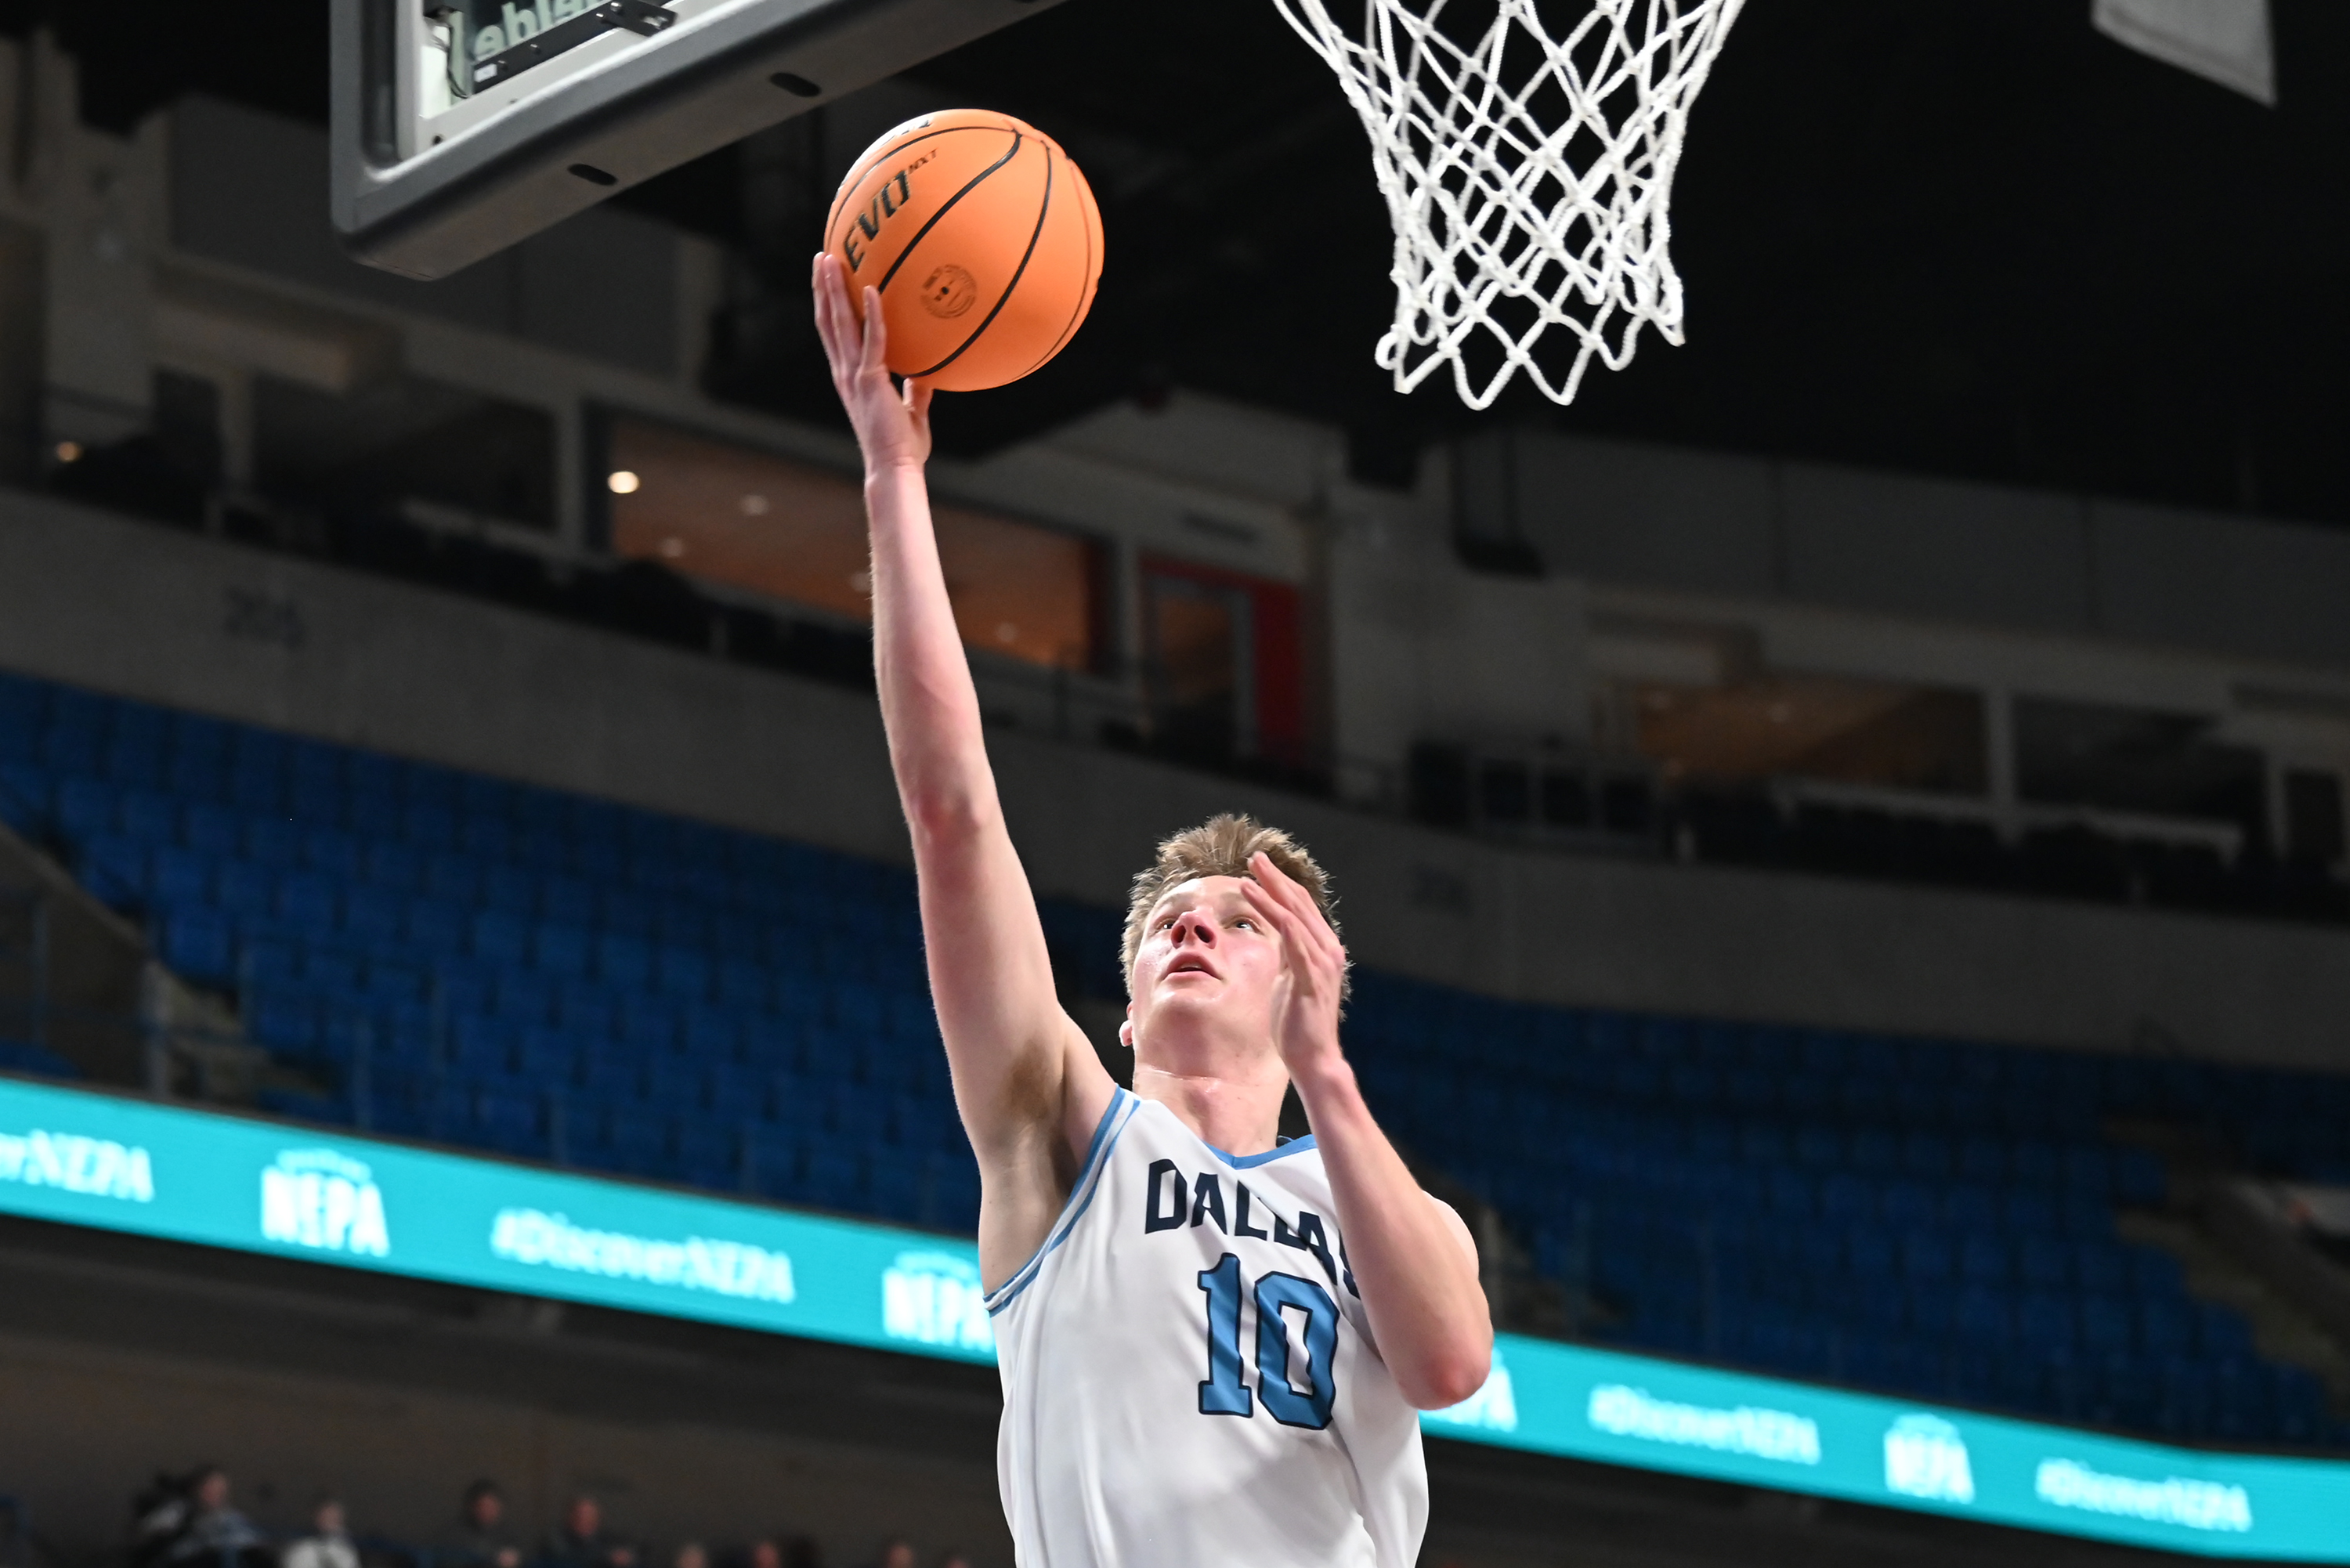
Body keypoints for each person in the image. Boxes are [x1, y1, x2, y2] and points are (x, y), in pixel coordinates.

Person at [811, 258, 1492, 1568]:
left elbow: (1452, 1365)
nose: (1193, 927)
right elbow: (952, 818)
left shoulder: (1388, 1203)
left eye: (1240, 923)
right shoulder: (1065, 1127)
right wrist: (893, 481)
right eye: (1167, 919)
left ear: (1302, 983)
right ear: (1122, 1005)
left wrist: (1328, 1074)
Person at [538, 1496, 634, 1568]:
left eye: (591, 1517)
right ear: (571, 1517)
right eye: (580, 1516)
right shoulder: (555, 1539)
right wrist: (607, 1558)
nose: (585, 1521)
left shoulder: (607, 1539)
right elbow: (567, 1558)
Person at [443, 1481, 521, 1568]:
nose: (486, 1510)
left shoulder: (513, 1534)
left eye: (491, 1506)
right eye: (482, 1506)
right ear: (472, 1508)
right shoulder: (455, 1533)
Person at [280, 1499, 360, 1568]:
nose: (332, 1523)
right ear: (317, 1519)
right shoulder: (301, 1550)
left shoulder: (346, 1551)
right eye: (327, 1517)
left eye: (335, 1519)